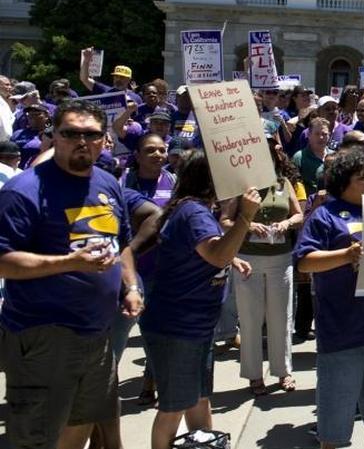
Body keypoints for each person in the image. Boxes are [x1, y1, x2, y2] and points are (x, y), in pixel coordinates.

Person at [0, 99, 142, 449]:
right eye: (71, 133)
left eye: (91, 134)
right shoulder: (24, 191)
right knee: (35, 437)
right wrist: (68, 263)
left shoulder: (108, 183)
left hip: (97, 332)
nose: (82, 141)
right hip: (44, 335)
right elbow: (3, 261)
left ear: (103, 140)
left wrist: (130, 286)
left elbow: (121, 242)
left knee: (82, 422)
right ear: (55, 137)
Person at [138, 149, 260, 449]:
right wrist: (245, 215)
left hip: (193, 328)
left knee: (199, 401)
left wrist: (232, 260)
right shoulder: (193, 212)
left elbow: (205, 251)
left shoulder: (193, 209)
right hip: (178, 329)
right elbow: (217, 254)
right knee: (172, 409)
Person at [295, 149, 364, 449]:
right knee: (336, 402)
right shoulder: (325, 215)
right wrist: (346, 254)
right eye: (361, 179)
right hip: (341, 325)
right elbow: (304, 262)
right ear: (343, 182)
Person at [220, 136, 304, 396]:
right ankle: (254, 376)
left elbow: (299, 214)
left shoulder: (284, 183)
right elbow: (224, 220)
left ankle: (284, 371)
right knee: (251, 319)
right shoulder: (243, 188)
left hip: (280, 259)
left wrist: (286, 224)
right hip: (249, 260)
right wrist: (246, 223)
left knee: (281, 317)